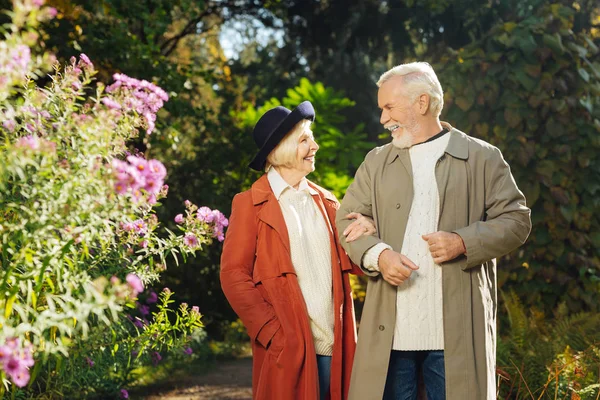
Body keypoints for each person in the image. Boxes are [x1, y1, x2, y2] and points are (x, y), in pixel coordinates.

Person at [335, 62, 532, 400]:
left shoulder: (482, 157)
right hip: (391, 336)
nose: (382, 118)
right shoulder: (376, 161)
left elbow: (516, 219)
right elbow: (347, 219)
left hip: (454, 336)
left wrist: (462, 241)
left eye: (389, 107)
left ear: (421, 103)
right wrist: (378, 256)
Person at [220, 101, 374, 399]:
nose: (315, 146)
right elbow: (233, 275)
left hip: (337, 349)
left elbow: (355, 262)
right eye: (304, 139)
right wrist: (274, 334)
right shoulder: (249, 203)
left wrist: (368, 228)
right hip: (288, 349)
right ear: (281, 149)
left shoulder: (327, 201)